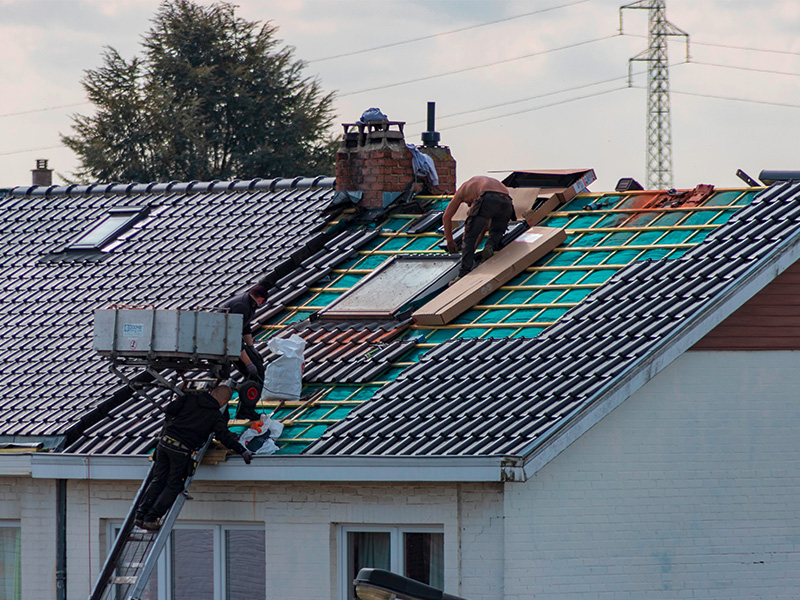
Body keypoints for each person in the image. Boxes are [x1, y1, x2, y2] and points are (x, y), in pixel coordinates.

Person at [134, 382, 254, 530]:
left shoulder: (191, 398)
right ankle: (151, 518)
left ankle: (140, 515)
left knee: (158, 480)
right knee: (174, 485)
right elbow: (224, 437)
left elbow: (170, 409)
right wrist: (242, 451)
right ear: (224, 402)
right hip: (181, 450)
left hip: (164, 443)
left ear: (212, 392)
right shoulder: (215, 416)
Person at [442, 176, 516, 277]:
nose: (469, 205)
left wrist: (449, 241)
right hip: (507, 201)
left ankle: (464, 272)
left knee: (470, 234)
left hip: (488, 196)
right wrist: (472, 251)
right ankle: (490, 245)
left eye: (468, 203)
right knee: (497, 231)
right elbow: (481, 230)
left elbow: (446, 217)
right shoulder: (477, 186)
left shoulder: (462, 191)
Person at [219, 284, 268, 382]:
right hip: (223, 339)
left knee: (256, 363)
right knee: (255, 369)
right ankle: (253, 386)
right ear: (261, 299)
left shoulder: (248, 302)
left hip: (228, 338)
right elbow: (233, 337)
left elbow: (245, 327)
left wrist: (251, 347)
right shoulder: (242, 306)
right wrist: (248, 363)